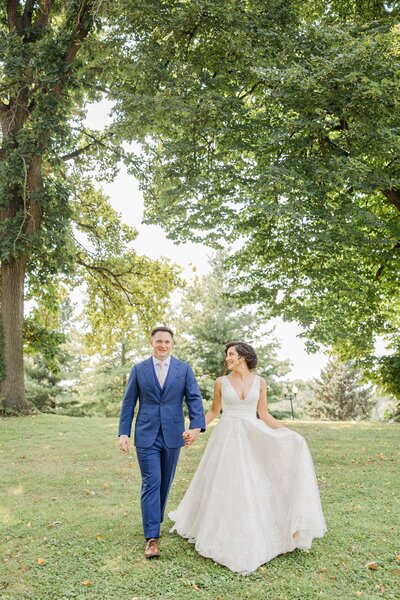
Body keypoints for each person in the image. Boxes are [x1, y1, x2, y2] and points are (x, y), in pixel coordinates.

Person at [169, 341, 327, 575]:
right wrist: (195, 429)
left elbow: (263, 414)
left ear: (243, 356)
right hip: (227, 437)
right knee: (227, 482)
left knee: (252, 481)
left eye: (231, 354)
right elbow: (214, 411)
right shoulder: (221, 383)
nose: (227, 358)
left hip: (252, 435)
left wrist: (288, 433)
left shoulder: (260, 382)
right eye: (227, 355)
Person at [119, 326, 205, 559]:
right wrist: (123, 433)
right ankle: (152, 537)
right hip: (146, 435)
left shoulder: (183, 369)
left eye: (167, 342)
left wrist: (196, 426)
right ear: (151, 342)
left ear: (172, 344)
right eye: (159, 341)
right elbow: (128, 404)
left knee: (165, 483)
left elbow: (194, 398)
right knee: (151, 482)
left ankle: (154, 524)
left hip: (173, 434)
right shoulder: (139, 370)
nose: (163, 345)